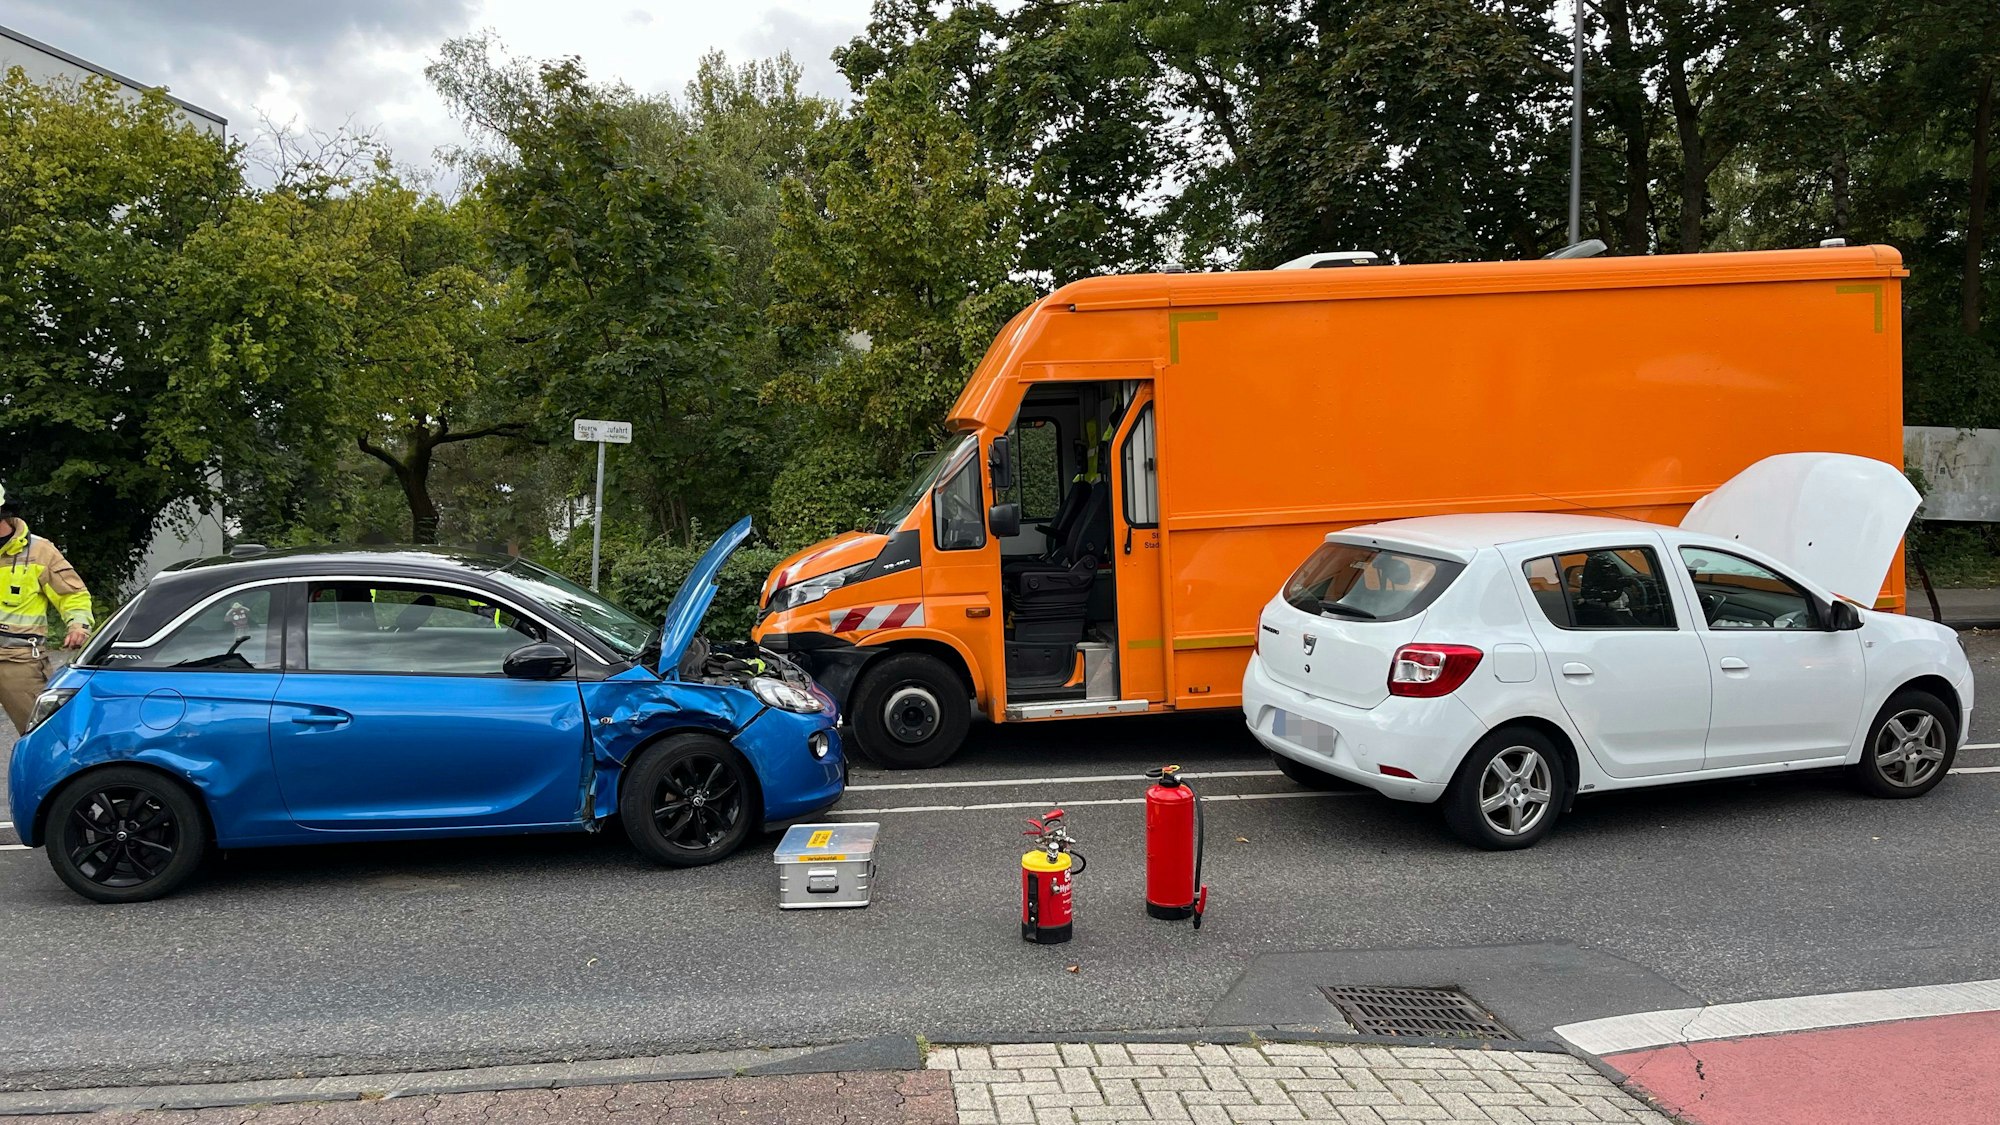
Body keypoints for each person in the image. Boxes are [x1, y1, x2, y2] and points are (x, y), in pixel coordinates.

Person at [0, 484, 93, 734]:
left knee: (45, 734)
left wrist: (78, 626)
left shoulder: (39, 551)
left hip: (18, 662)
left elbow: (73, 595)